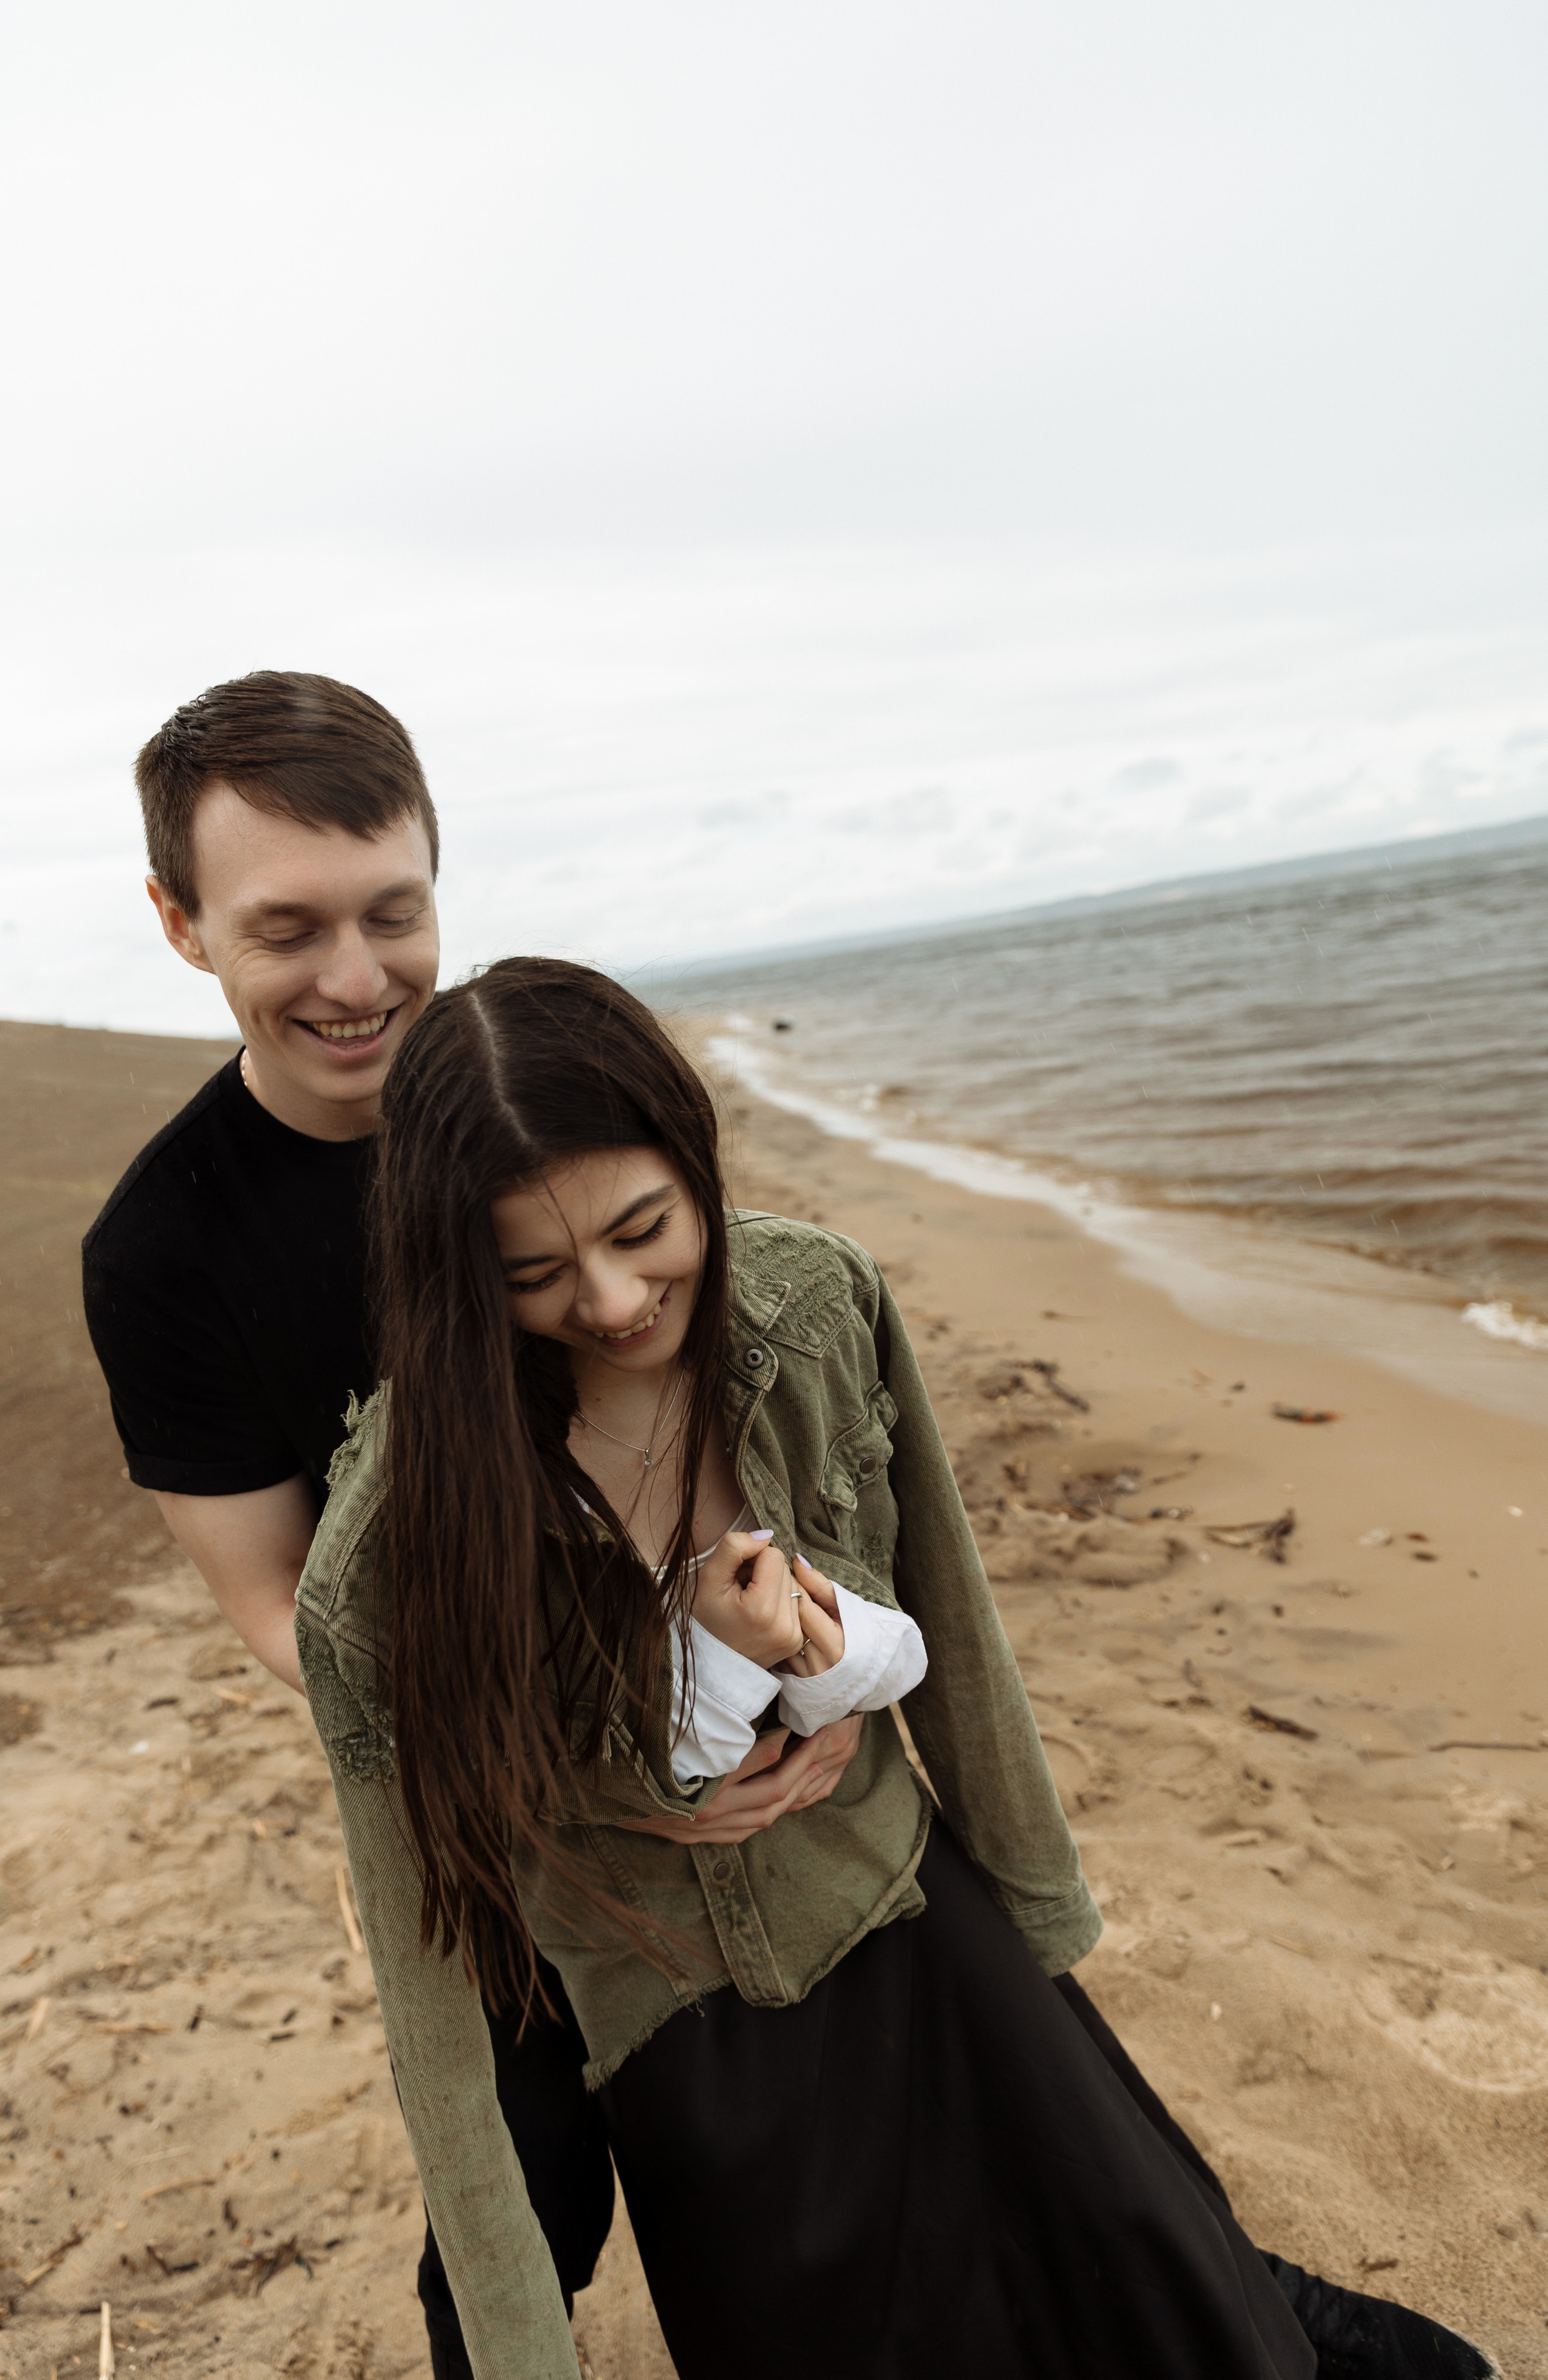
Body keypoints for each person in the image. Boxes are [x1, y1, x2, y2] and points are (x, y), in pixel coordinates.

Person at [298, 956, 1498, 2380]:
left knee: (1161, 2300)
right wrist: (511, 2338)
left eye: (645, 1230)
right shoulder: (385, 1550)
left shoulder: (814, 1307)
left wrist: (1042, 1938)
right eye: (536, 1276)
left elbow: (954, 1631)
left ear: (697, 1156)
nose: (615, 1301)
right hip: (690, 2045)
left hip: (921, 1910)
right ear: (457, 1272)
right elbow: (434, 1982)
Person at [80, 673, 865, 2373]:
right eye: (285, 930)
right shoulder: (163, 1252)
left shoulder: (542, 1099)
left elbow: (751, 1399)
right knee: (511, 2228)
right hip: (486, 1811)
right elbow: (282, 1601)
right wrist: (585, 1763)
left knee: (858, 2166)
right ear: (179, 925)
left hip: (760, 1711)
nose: (358, 980)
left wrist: (806, 1669)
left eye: (394, 911)